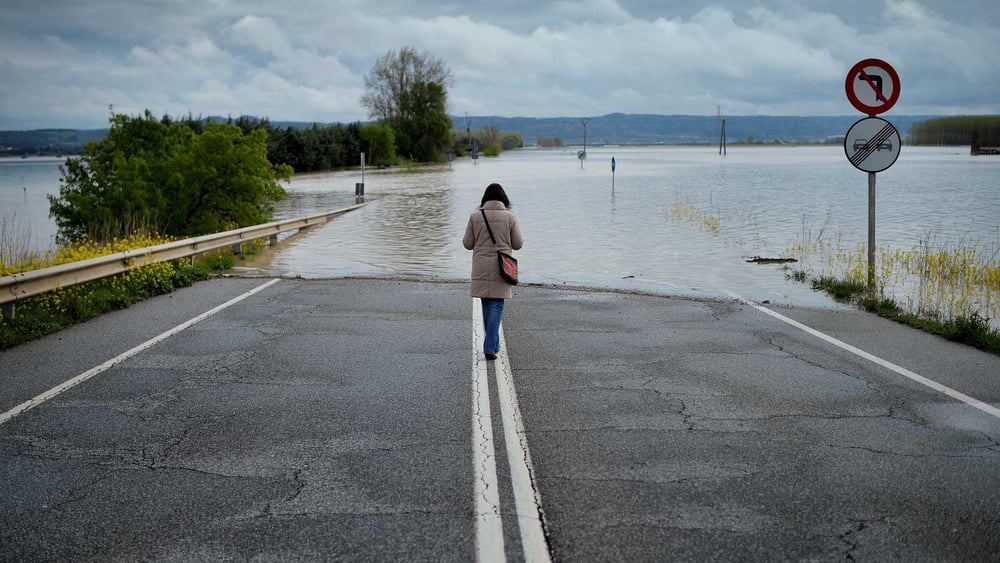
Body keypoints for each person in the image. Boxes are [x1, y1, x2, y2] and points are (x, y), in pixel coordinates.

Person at [463, 183, 524, 360]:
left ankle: (493, 343)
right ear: (504, 199)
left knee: (487, 303)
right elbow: (518, 244)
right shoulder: (510, 217)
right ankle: (490, 345)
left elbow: (467, 244)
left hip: (480, 266)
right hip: (502, 266)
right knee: (497, 304)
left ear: (485, 198)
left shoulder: (476, 216)